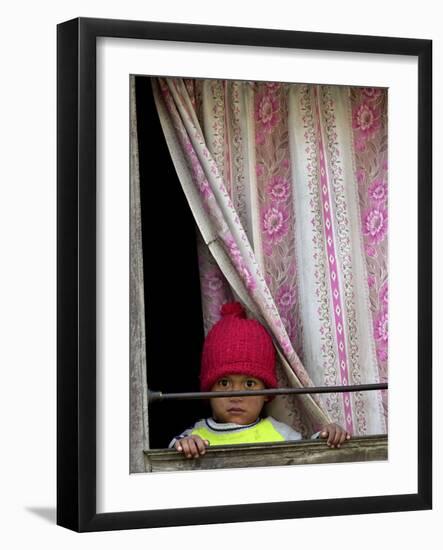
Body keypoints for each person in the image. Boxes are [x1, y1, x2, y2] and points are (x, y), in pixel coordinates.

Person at [169, 301, 351, 459]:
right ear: (209, 390)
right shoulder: (196, 436)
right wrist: (185, 446)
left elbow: (307, 457)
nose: (236, 395)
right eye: (224, 383)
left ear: (266, 392)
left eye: (249, 384)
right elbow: (171, 454)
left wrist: (327, 437)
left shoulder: (281, 434)